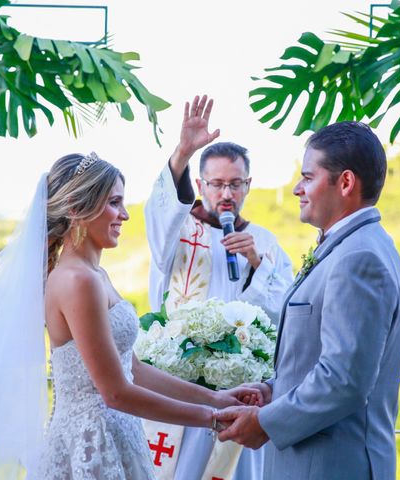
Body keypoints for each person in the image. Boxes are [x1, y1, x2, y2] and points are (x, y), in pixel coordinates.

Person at [0, 152, 261, 480]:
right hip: (90, 446)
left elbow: (133, 368)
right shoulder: (76, 281)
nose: (124, 214)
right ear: (78, 208)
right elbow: (116, 392)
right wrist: (211, 417)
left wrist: (217, 398)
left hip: (118, 434)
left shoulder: (96, 275)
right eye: (114, 202)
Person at [216, 121, 400, 480]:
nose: (296, 189)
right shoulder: (354, 245)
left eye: (308, 177)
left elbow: (344, 379)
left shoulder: (358, 258)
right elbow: (324, 357)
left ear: (346, 182)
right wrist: (273, 390)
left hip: (331, 465)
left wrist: (265, 423)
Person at [144, 96, 294, 480]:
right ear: (200, 184)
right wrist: (182, 152)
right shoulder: (180, 228)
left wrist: (259, 264)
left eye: (235, 184)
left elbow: (285, 314)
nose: (226, 194)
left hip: (238, 388)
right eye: (217, 184)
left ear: (248, 185)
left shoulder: (264, 241)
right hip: (177, 383)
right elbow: (159, 217)